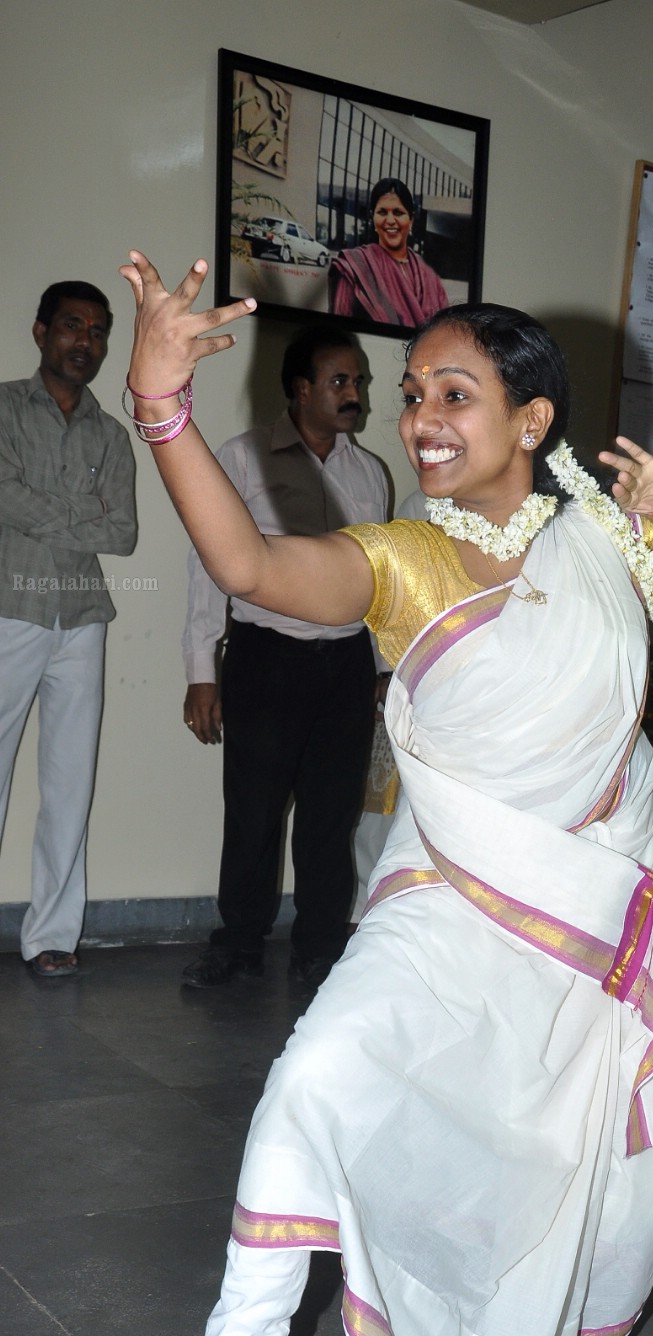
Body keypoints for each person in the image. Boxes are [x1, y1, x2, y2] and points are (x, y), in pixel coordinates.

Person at [122, 251, 653, 1336]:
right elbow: (250, 566)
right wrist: (161, 408)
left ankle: (586, 1323)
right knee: (319, 1071)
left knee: (615, 1152)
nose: (420, 418)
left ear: (531, 418)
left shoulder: (603, 539)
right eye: (412, 392)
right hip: (453, 893)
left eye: (454, 394)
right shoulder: (402, 560)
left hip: (606, 889)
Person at [180, 324, 390, 990]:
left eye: (358, 381)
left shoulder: (369, 472)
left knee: (331, 817)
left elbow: (381, 577)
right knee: (254, 813)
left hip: (346, 665)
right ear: (301, 390)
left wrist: (384, 669)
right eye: (340, 381)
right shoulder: (241, 460)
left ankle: (320, 951)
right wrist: (201, 674)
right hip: (267, 658)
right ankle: (238, 947)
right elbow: (206, 570)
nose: (354, 393)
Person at [0, 281, 137, 977]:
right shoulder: (1, 408)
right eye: (73, 326)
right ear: (40, 331)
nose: (86, 341)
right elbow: (3, 494)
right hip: (9, 610)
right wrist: (72, 514)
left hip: (82, 619)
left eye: (98, 331)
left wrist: (42, 508)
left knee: (69, 784)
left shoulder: (112, 435)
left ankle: (52, 935)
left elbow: (124, 533)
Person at [329, 179, 450, 330]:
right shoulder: (354, 268)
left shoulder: (431, 279)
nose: (390, 221)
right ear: (373, 218)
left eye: (398, 213)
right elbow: (339, 334)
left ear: (411, 220)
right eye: (382, 212)